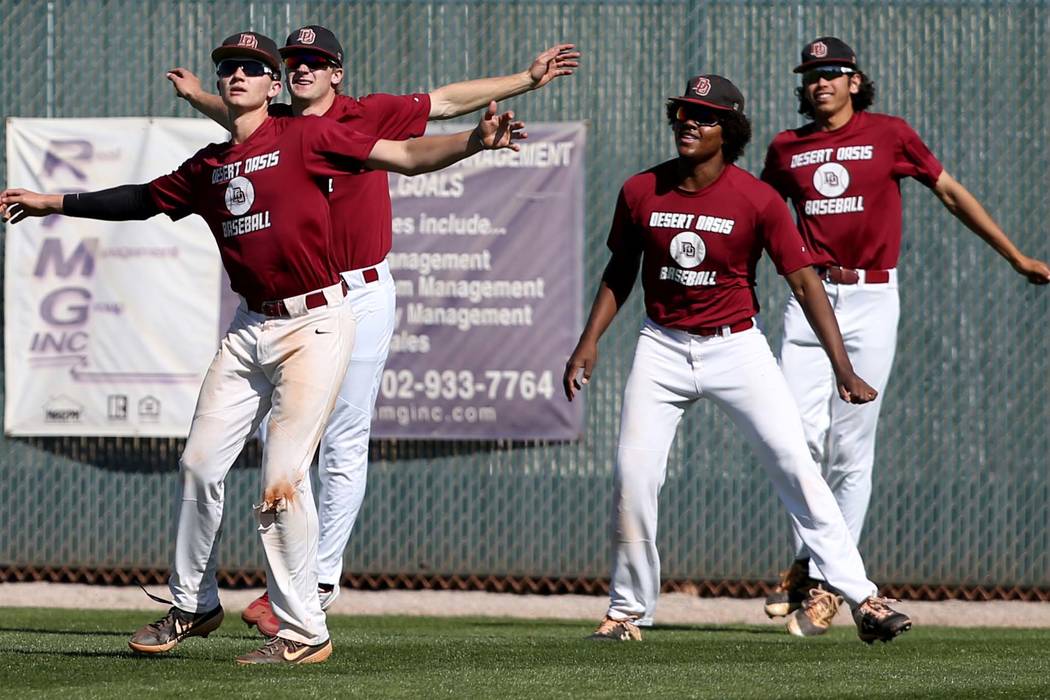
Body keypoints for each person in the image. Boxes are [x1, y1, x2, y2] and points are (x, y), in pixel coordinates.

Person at [1, 30, 524, 664]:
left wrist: (473, 142)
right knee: (198, 464)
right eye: (230, 68)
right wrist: (50, 201)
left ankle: (305, 629)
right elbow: (140, 200)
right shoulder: (208, 166)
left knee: (283, 481)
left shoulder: (308, 136)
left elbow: (407, 157)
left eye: (254, 67)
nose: (239, 75)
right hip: (250, 329)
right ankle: (193, 603)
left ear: (272, 87)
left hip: (318, 323)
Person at [164, 27, 580, 635]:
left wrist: (527, 78)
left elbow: (443, 102)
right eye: (293, 60)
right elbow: (230, 106)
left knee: (343, 436)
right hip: (280, 302)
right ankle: (211, 594)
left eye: (316, 60)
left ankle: (319, 581)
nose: (302, 67)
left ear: (336, 72)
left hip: (356, 293)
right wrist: (199, 93)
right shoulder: (274, 122)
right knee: (244, 449)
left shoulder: (368, 113)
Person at [563, 74, 910, 644]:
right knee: (634, 476)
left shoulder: (757, 198)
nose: (689, 123)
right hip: (663, 345)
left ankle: (863, 598)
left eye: (704, 116)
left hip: (736, 346)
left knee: (795, 466)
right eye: (683, 113)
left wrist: (842, 366)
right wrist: (588, 340)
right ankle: (627, 612)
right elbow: (619, 271)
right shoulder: (640, 191)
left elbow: (803, 282)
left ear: (729, 130)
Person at [760, 37, 1050, 637]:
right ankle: (820, 566)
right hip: (810, 298)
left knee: (851, 449)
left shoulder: (890, 134)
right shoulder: (786, 148)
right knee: (794, 441)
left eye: (833, 73)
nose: (821, 83)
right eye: (811, 74)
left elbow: (949, 192)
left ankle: (822, 580)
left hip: (870, 298)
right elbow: (761, 216)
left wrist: (1016, 255)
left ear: (856, 82)